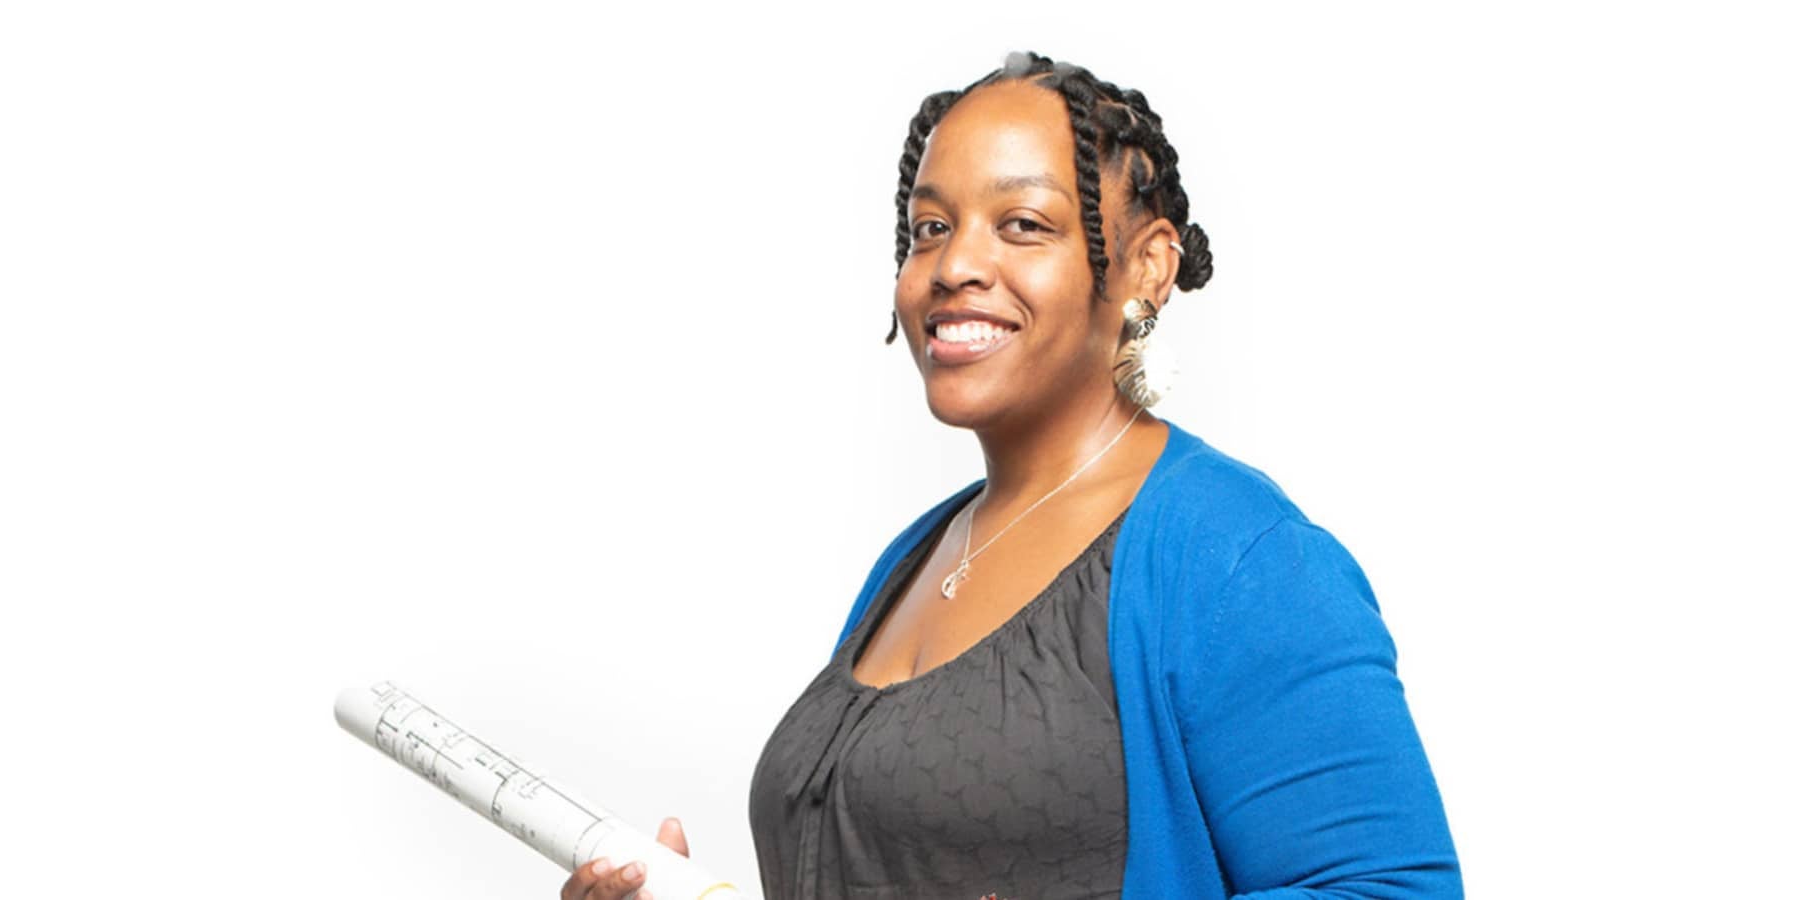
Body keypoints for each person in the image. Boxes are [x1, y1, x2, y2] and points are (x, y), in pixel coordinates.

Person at [561, 51, 1460, 900]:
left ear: (1148, 266)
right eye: (930, 229)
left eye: (1023, 225)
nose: (954, 265)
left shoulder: (1238, 560)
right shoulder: (914, 558)